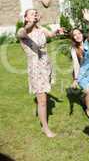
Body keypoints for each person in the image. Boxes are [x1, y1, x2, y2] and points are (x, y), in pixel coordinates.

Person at [17, 9, 64, 138]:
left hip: (45, 63)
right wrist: (31, 24)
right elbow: (21, 33)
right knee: (42, 100)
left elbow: (50, 35)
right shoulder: (23, 32)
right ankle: (45, 128)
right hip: (35, 68)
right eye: (32, 14)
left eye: (36, 13)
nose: (35, 15)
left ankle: (43, 122)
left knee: (44, 95)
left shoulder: (40, 29)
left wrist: (56, 32)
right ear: (26, 18)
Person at [70, 9, 89, 120]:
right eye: (75, 35)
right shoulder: (74, 49)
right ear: (73, 38)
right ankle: (87, 108)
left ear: (81, 34)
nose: (77, 36)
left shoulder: (86, 41)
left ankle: (84, 98)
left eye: (78, 33)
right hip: (81, 72)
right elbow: (76, 64)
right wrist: (75, 79)